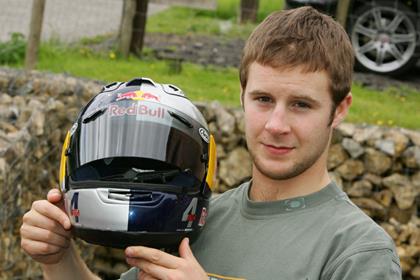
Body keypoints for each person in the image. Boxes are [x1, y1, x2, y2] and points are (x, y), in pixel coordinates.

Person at [21, 6, 401, 280]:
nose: (276, 125)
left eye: (302, 105)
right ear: (242, 95)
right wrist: (59, 260)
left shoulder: (358, 253)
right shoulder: (193, 216)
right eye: (263, 99)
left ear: (339, 109)